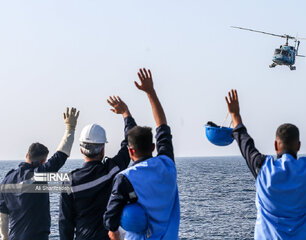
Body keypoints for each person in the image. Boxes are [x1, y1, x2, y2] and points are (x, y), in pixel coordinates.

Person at [225, 89, 306, 239]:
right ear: (298, 146)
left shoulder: (262, 168)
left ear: (276, 146)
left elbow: (245, 143)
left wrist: (235, 115)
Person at [103, 68, 180, 240]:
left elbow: (110, 222)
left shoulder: (125, 178)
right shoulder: (167, 165)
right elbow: (162, 125)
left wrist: (125, 113)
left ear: (130, 151)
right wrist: (150, 91)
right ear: (153, 146)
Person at [59, 96, 136, 240]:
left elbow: (65, 225)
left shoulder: (69, 183)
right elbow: (131, 141)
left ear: (81, 150)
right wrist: (125, 113)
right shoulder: (113, 169)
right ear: (102, 151)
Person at [0, 107, 80, 240]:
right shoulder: (38, 175)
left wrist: (4, 237)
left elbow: (3, 214)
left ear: (27, 155)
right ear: (43, 161)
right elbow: (60, 156)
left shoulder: (6, 181)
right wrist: (70, 128)